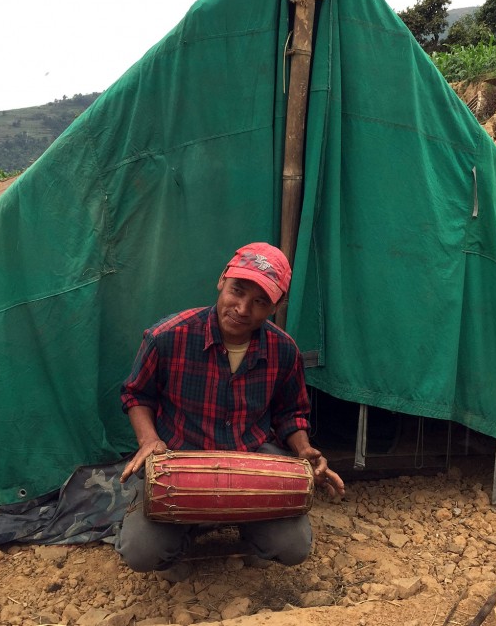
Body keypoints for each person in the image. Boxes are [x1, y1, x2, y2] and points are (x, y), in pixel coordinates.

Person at [113, 242, 345, 582]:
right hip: (181, 456)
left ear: (277, 306)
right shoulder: (167, 336)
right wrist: (149, 440)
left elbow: (290, 413)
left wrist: (304, 449)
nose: (242, 308)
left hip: (251, 459)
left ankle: (250, 533)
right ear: (223, 279)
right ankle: (180, 540)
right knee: (141, 551)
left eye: (260, 301)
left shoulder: (284, 350)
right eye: (238, 290)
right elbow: (136, 394)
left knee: (294, 546)